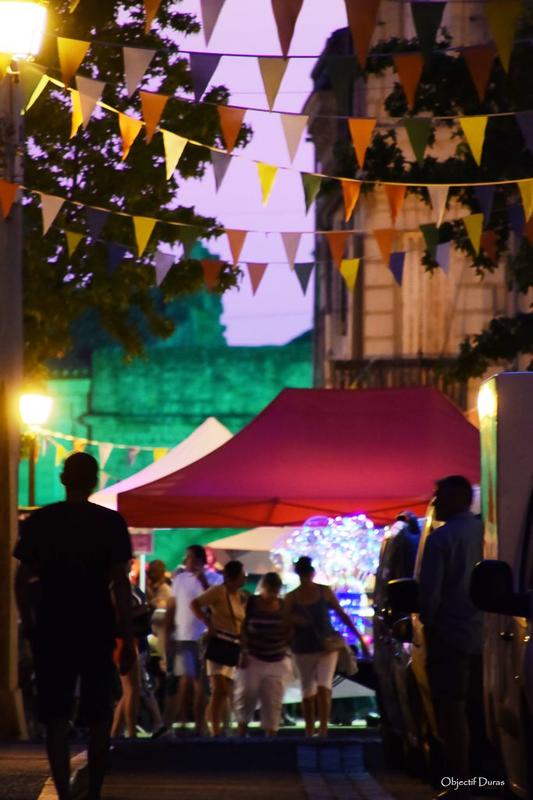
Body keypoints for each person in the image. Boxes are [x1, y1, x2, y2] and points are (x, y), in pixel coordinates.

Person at [13, 452, 134, 800]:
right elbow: (120, 584)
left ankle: (64, 792)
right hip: (96, 624)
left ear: (65, 479)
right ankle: (93, 790)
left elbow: (22, 580)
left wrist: (30, 624)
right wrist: (126, 634)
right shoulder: (111, 523)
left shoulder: (41, 521)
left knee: (54, 713)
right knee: (99, 713)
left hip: (53, 624)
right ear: (95, 481)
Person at [418, 475, 484, 800]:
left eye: (439, 495)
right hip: (488, 635)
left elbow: (430, 594)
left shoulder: (441, 540)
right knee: (479, 709)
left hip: (451, 634)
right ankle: (487, 774)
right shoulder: (485, 533)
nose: (435, 501)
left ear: (457, 497)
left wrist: (428, 627)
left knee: (451, 709)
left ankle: (461, 781)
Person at [284, 556, 368, 737]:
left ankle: (317, 729)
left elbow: (283, 619)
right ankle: (318, 729)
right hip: (313, 646)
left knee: (315, 688)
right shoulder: (320, 593)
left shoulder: (294, 597)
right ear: (311, 573)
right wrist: (359, 637)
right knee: (317, 689)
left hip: (320, 647)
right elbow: (341, 615)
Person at [163, 545, 222, 735]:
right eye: (186, 557)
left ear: (199, 560)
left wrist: (203, 580)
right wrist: (168, 632)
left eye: (189, 557)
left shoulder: (214, 578)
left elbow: (215, 603)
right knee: (185, 681)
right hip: (182, 637)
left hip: (202, 637)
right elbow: (172, 607)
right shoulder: (179, 579)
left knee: (200, 684)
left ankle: (199, 725)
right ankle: (175, 723)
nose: (186, 560)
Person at [190, 560, 246, 737]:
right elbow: (195, 604)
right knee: (219, 688)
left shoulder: (239, 596)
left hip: (232, 645)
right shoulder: (218, 591)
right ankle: (214, 728)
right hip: (219, 642)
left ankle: (218, 725)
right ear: (234, 577)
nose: (245, 577)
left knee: (225, 690)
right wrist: (208, 623)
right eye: (242, 574)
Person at [234, 572, 292, 737]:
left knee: (273, 701)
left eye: (275, 592)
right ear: (263, 588)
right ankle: (241, 732)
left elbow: (289, 628)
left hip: (276, 659)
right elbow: (242, 628)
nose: (271, 596)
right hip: (252, 657)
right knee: (246, 695)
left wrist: (286, 644)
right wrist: (243, 650)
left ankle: (270, 736)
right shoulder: (251, 603)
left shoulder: (283, 607)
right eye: (269, 591)